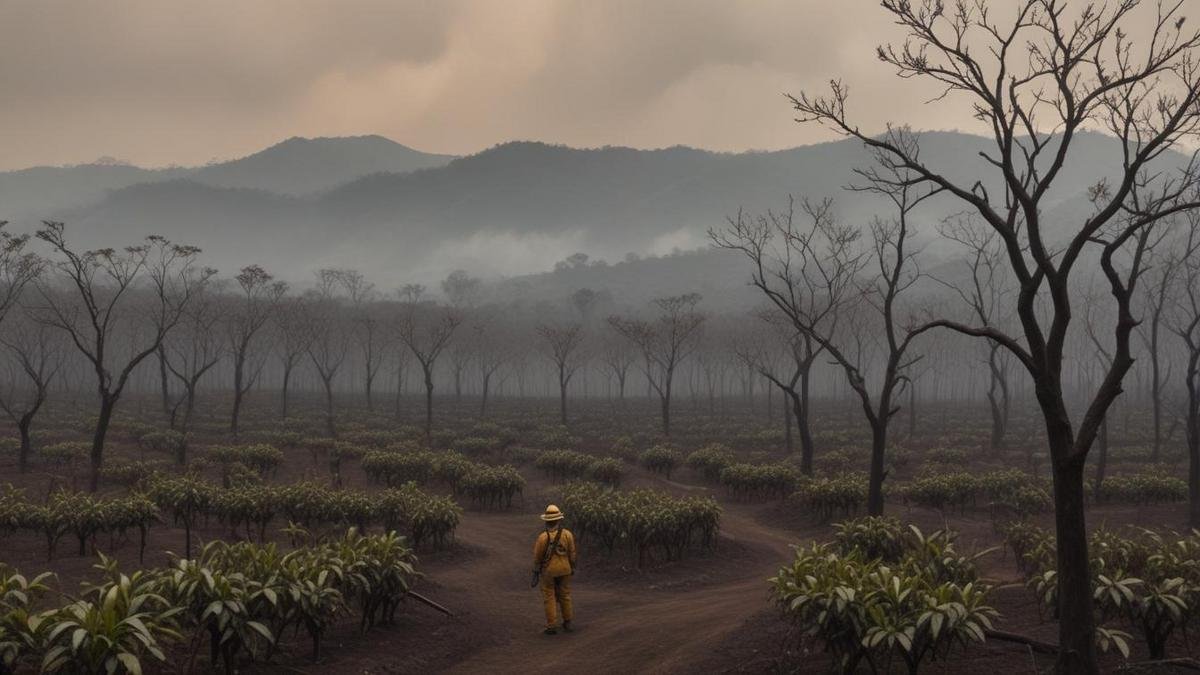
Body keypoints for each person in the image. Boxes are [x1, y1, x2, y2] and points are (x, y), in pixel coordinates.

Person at [531, 504, 577, 635]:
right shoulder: (567, 534)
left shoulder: (542, 537)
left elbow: (537, 557)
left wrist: (535, 572)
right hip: (565, 569)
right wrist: (572, 567)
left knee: (549, 596)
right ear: (558, 520)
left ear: (546, 521)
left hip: (549, 572)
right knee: (565, 595)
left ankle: (551, 625)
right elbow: (572, 553)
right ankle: (568, 622)